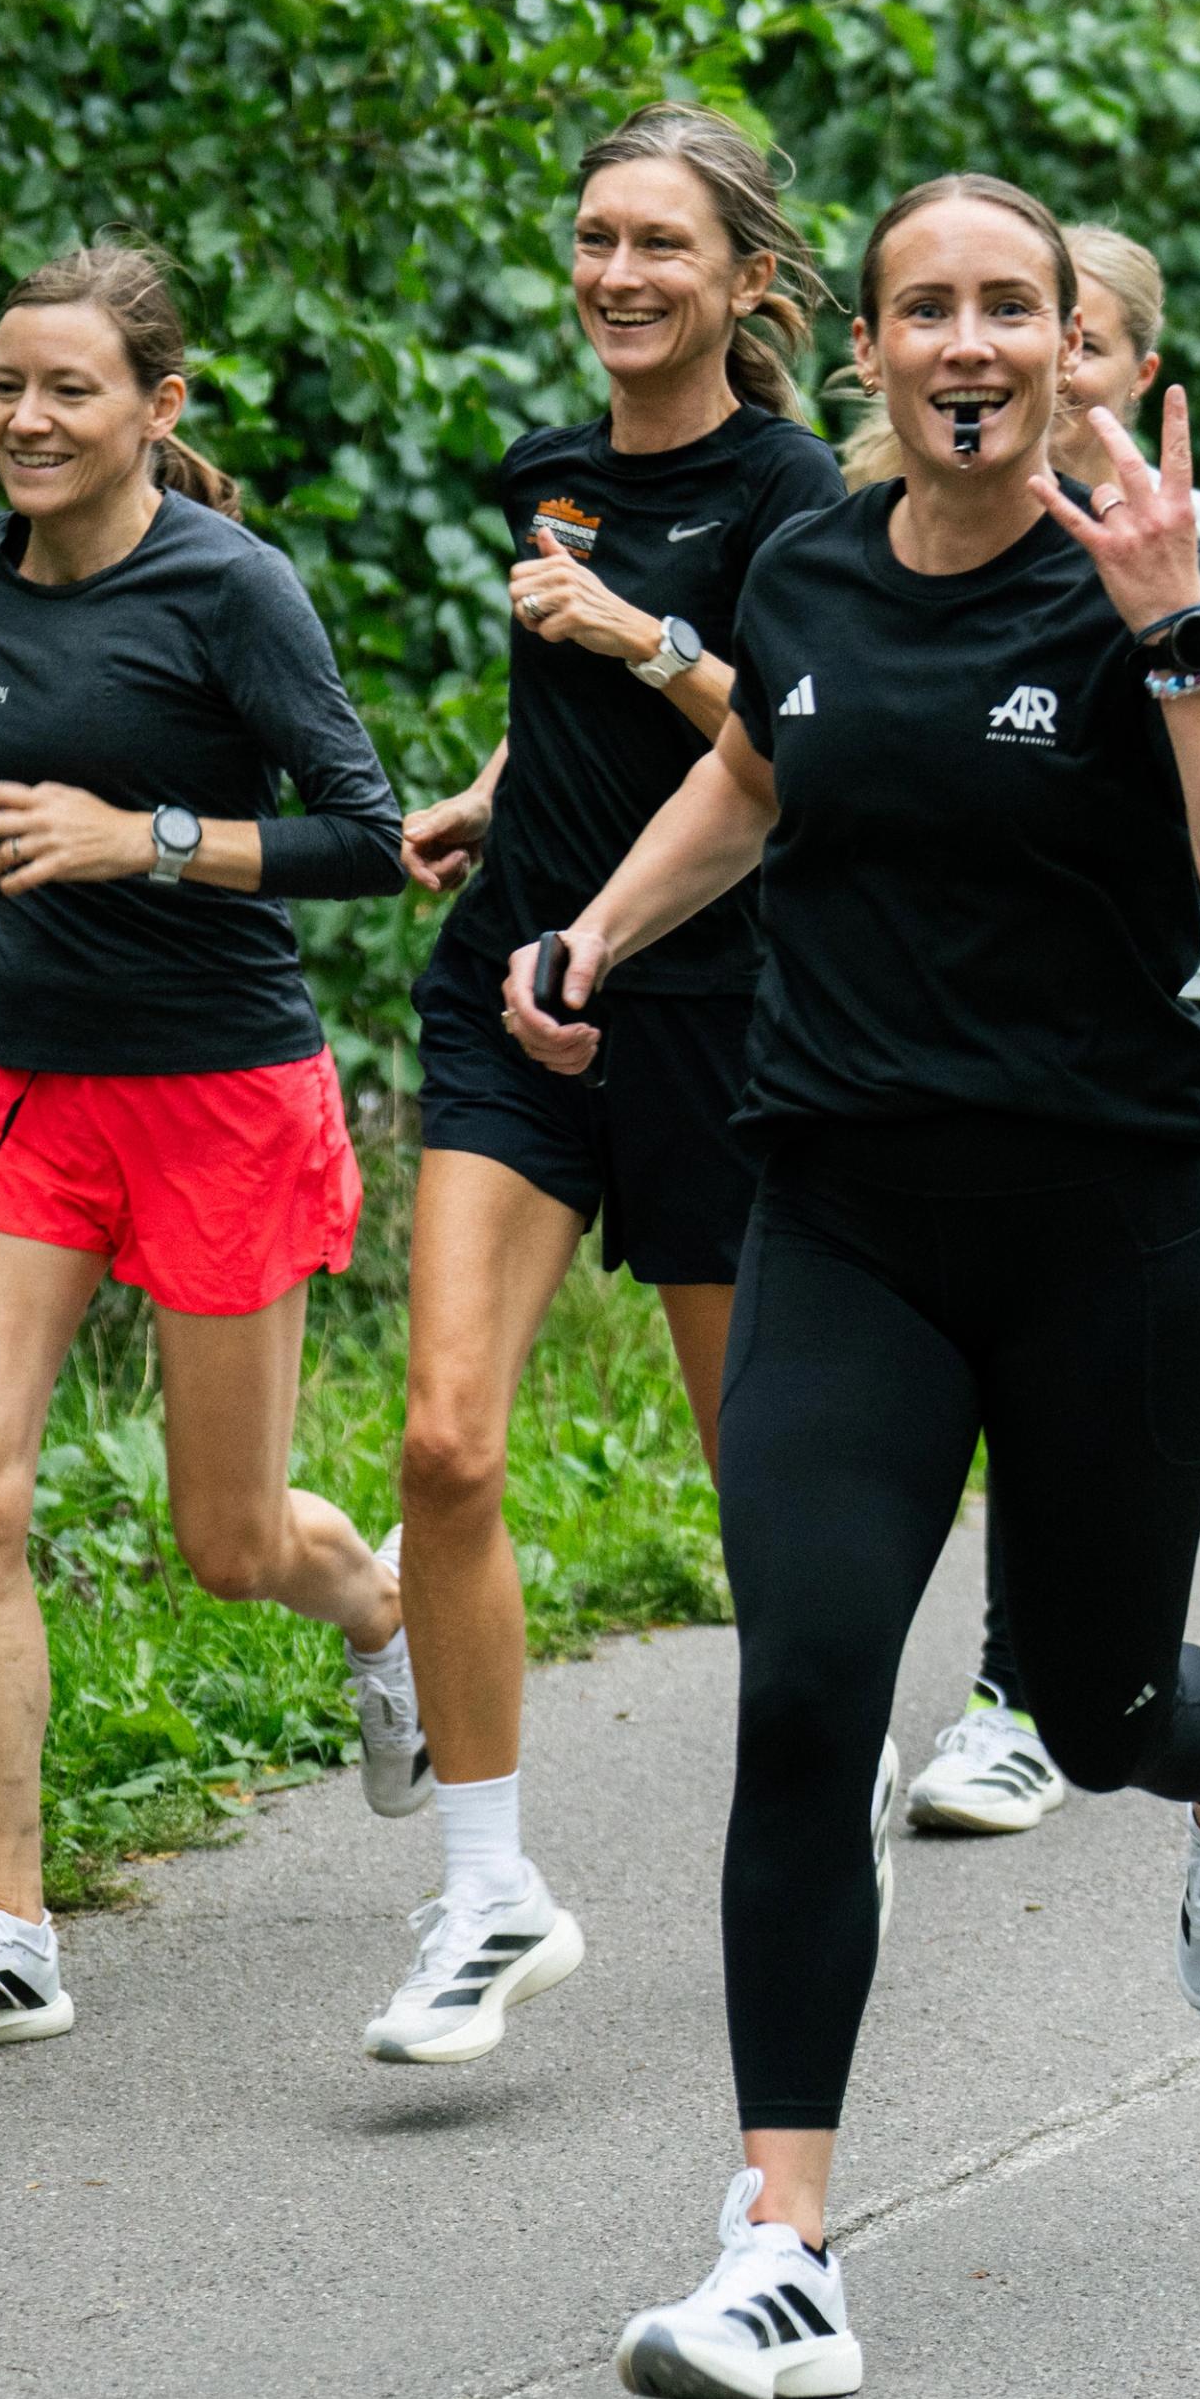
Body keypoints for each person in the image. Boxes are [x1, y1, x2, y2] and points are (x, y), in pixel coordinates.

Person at [510, 175, 1200, 2399]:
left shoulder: (1158, 583)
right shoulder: (803, 565)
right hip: (846, 1219)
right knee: (806, 1696)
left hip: (1107, 1231)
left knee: (1085, 1715)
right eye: (929, 311)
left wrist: (1177, 631)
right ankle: (782, 2239)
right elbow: (763, 772)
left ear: (1081, 342)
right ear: (868, 355)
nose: (973, 343)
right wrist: (603, 927)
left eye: (1017, 308)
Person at [0, 246, 406, 2063]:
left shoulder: (232, 589)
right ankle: (11, 1928)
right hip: (12, 1082)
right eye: (5, 384)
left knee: (229, 1540)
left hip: (217, 1088)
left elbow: (368, 836)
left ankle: (382, 1606)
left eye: (68, 390)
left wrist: (144, 836)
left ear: (156, 409)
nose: (22, 418)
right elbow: (16, 784)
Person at [368, 106, 848, 2062]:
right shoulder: (550, 472)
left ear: (745, 281)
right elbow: (553, 701)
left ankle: (829, 1792)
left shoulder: (793, 488)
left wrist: (650, 637)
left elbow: (804, 746)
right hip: (512, 987)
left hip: (718, 1015)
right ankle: (486, 1890)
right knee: (444, 1445)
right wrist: (485, 797)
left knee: (766, 1482)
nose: (618, 278)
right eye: (594, 241)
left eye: (660, 247)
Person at [902, 218, 1200, 1838]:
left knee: (1052, 1396)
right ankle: (918, 1700)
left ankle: (1016, 1698)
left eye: (1077, 339)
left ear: (1129, 367)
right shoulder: (887, 540)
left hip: (1128, 1022)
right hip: (923, 1055)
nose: (1039, 368)